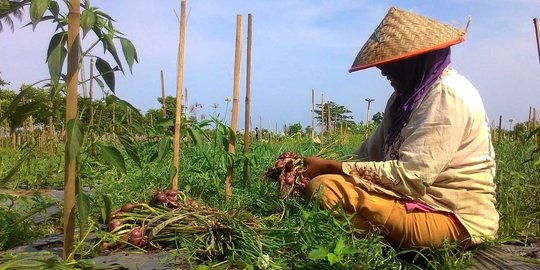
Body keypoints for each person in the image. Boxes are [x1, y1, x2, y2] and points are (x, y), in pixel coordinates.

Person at [303, 7, 498, 248]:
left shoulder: (446, 95)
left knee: (324, 190)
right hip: (414, 202)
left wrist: (333, 168)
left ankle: (386, 246)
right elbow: (367, 154)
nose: (383, 71)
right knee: (326, 182)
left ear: (415, 61)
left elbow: (411, 177)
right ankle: (390, 241)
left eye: (391, 63)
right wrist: (325, 167)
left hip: (452, 216)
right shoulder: (402, 101)